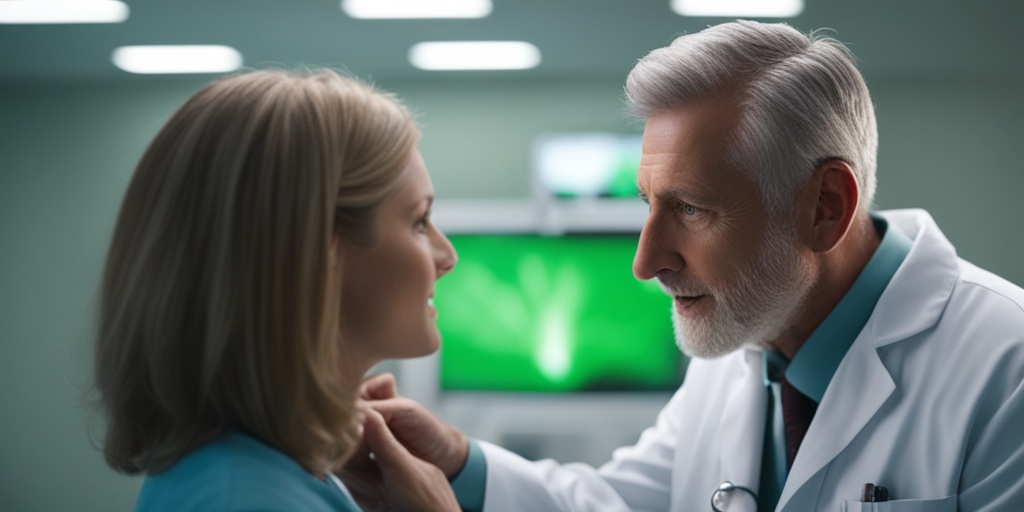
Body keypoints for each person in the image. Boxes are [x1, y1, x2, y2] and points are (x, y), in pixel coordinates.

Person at [346, 20, 1024, 511]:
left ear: (826, 206)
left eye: (693, 209)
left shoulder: (1005, 367)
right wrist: (457, 464)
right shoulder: (743, 343)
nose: (645, 261)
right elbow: (615, 503)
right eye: (648, 205)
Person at [93, 68, 463, 511]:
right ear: (316, 248)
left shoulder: (263, 477)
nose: (448, 256)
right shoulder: (245, 499)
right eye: (420, 221)